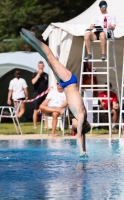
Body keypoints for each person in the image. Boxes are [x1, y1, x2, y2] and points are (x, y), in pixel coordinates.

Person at [20, 28, 91, 157]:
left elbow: (83, 135)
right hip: (69, 81)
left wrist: (84, 150)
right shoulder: (81, 116)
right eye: (74, 126)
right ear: (80, 125)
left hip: (66, 84)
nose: (72, 125)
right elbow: (80, 134)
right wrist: (81, 152)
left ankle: (33, 42)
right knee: (51, 58)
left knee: (49, 60)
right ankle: (34, 38)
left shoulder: (81, 118)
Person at [32, 61, 48, 130]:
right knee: (35, 110)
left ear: (43, 66)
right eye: (39, 66)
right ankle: (35, 126)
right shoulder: (34, 74)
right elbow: (33, 82)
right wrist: (38, 74)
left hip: (44, 95)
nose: (41, 67)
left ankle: (46, 126)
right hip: (36, 95)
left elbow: (48, 85)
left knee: (45, 110)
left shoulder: (46, 75)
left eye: (42, 66)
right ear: (38, 66)